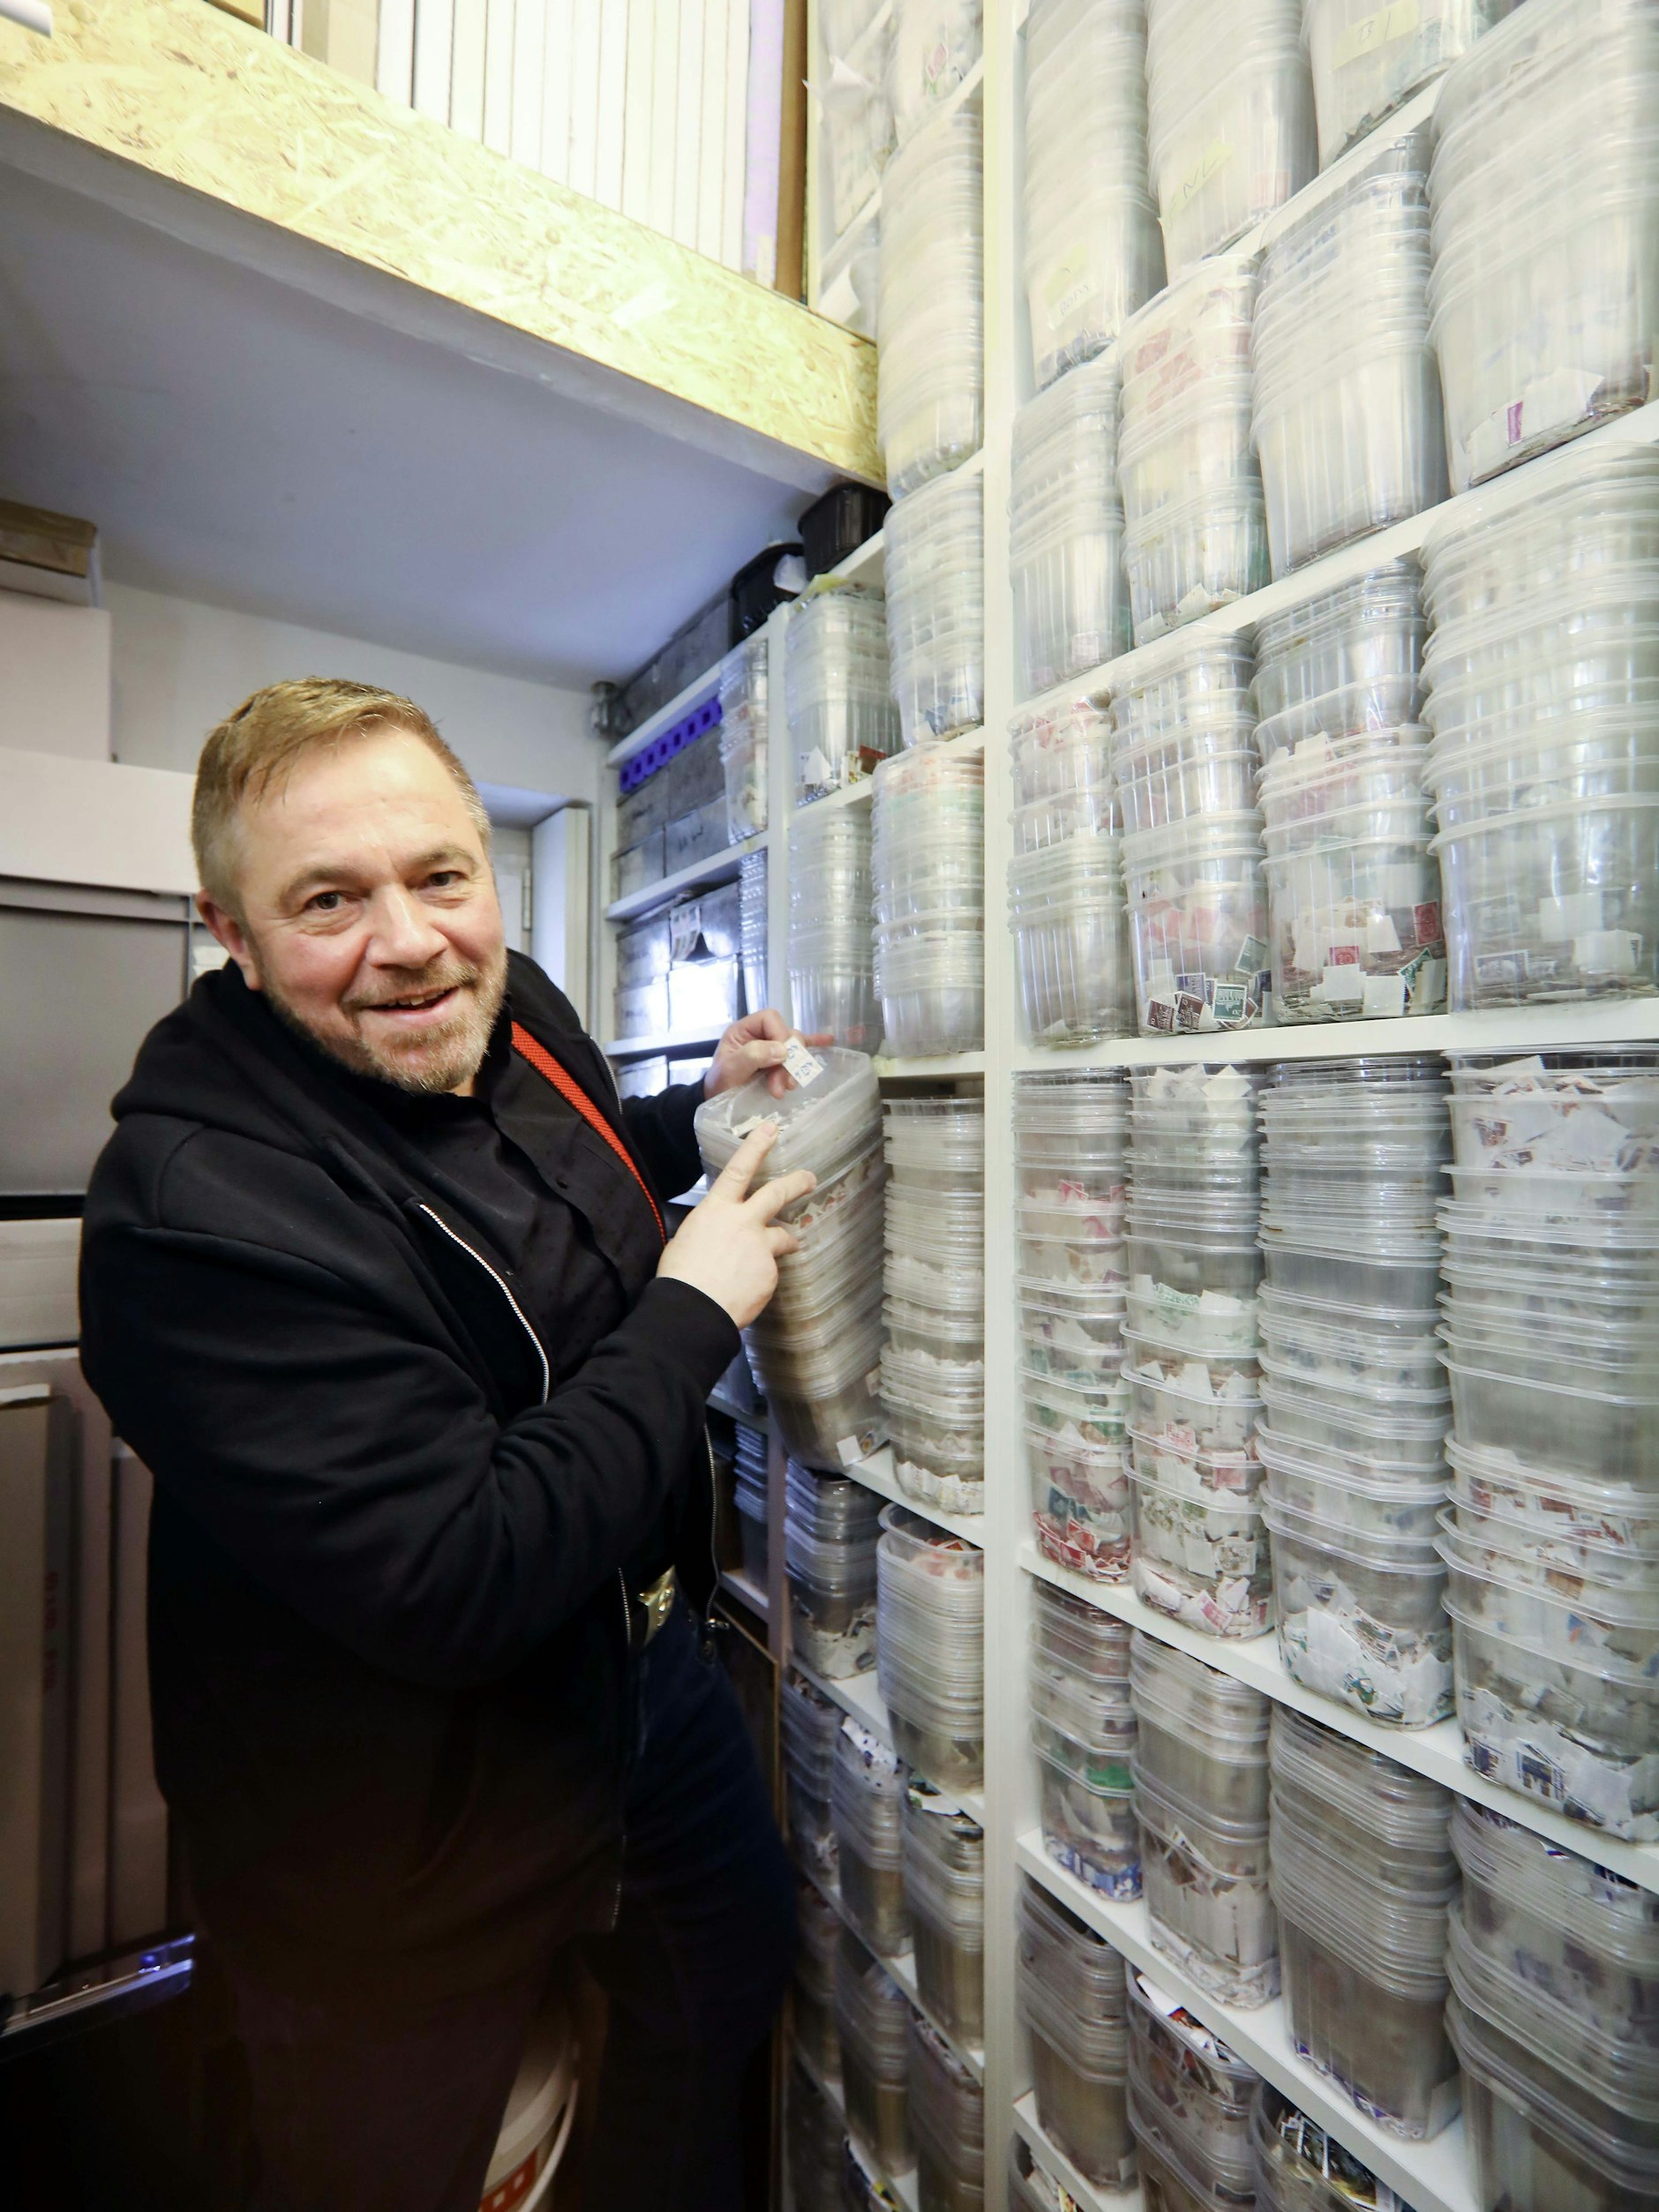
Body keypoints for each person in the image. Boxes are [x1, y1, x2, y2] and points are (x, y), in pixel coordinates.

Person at [79, 677, 818, 2212]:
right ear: (232, 931)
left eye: (439, 876)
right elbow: (459, 1572)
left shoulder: (510, 1001)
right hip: (394, 1828)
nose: (409, 941)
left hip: (635, 1687)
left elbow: (574, 1150)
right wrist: (695, 1316)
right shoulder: (191, 1216)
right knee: (413, 2161)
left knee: (721, 1967)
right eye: (328, 900)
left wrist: (700, 1121)